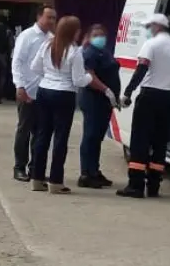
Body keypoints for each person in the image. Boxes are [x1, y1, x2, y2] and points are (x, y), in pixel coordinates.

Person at [29, 15, 118, 194]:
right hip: (64, 94)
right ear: (73, 32)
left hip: (45, 90)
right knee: (60, 139)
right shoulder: (74, 51)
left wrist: (50, 75)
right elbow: (79, 80)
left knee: (42, 136)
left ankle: (36, 178)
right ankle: (55, 181)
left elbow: (34, 67)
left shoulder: (47, 45)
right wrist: (88, 77)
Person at [117, 13, 170, 199]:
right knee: (160, 141)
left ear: (156, 26)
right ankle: (154, 185)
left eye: (149, 27)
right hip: (168, 97)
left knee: (140, 140)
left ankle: (136, 185)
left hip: (149, 96)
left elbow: (141, 70)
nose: (148, 30)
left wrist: (128, 92)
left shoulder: (151, 45)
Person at [10, 5, 56, 181]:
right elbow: (17, 62)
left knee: (40, 133)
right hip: (27, 91)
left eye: (54, 18)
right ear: (39, 17)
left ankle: (35, 168)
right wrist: (19, 86)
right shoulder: (27, 36)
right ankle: (19, 167)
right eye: (49, 17)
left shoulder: (52, 38)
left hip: (44, 91)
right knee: (24, 130)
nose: (51, 21)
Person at [77, 23, 120, 188]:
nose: (100, 37)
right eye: (96, 34)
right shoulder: (89, 53)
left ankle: (94, 170)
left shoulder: (104, 51)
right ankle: (86, 173)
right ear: (89, 36)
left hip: (104, 101)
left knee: (97, 137)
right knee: (90, 136)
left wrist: (114, 96)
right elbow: (90, 76)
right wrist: (106, 90)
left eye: (102, 34)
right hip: (93, 99)